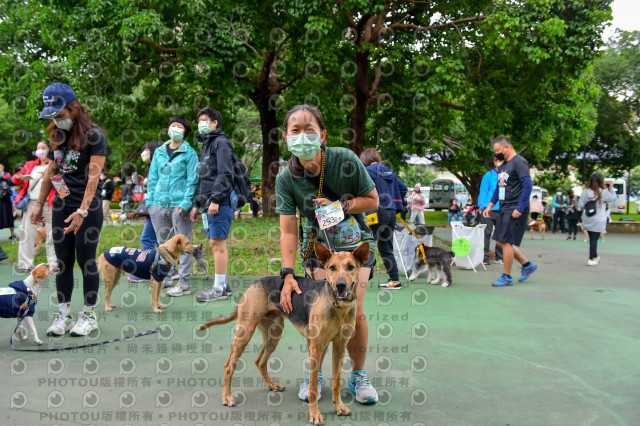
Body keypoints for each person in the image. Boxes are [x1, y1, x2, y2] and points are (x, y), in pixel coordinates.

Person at [276, 104, 379, 404]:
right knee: (323, 311)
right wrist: (286, 274)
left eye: (310, 130)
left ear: (322, 135)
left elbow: (372, 200)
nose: (302, 136)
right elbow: (288, 231)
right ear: (286, 137)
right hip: (319, 249)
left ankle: (358, 376)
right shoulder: (286, 179)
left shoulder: (345, 160)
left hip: (356, 242)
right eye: (295, 130)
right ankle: (316, 375)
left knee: (352, 307)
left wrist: (341, 206)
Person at [31, 82, 107, 336]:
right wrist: (40, 204)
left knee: (86, 261)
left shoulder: (94, 136)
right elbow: (52, 172)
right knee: (62, 262)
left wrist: (82, 212)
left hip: (88, 207)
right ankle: (64, 315)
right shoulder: (56, 134)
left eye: (60, 115)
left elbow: (93, 179)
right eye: (52, 116)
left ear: (74, 108)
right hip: (62, 206)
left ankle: (89, 315)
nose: (57, 120)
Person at [147, 116, 199, 296]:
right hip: (158, 204)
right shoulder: (160, 151)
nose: (175, 129)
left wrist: (185, 203)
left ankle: (183, 282)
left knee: (184, 244)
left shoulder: (190, 153)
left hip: (179, 206)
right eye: (172, 125)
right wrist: (150, 202)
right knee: (164, 244)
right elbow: (152, 177)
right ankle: (166, 277)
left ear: (185, 132)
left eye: (179, 126)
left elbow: (192, 180)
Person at [189, 107, 235, 302]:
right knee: (214, 242)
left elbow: (225, 174)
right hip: (208, 204)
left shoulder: (221, 143)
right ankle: (222, 283)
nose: (201, 124)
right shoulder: (207, 145)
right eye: (199, 120)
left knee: (218, 244)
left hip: (219, 202)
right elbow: (205, 178)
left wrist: (216, 199)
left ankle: (219, 288)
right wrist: (197, 205)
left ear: (215, 123)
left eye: (205, 120)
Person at [483, 135, 537, 287]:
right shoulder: (502, 166)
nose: (497, 153)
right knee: (500, 240)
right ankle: (527, 265)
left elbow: (528, 186)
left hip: (515, 207)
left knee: (506, 241)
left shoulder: (519, 162)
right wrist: (490, 205)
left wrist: (520, 208)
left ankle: (506, 277)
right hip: (505, 207)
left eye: (498, 149)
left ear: (507, 147)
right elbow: (499, 188)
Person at [360, 147, 407, 290]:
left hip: (375, 212)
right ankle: (395, 280)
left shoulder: (367, 171)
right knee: (386, 246)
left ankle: (363, 277)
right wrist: (394, 201)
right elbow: (403, 188)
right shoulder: (390, 172)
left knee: (367, 242)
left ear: (364, 159)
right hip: (391, 212)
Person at [12, 141, 58, 272]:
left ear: (50, 149)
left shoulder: (55, 164)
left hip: (49, 204)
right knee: (26, 233)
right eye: (38, 148)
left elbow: (62, 184)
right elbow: (15, 179)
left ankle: (53, 265)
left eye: (44, 148)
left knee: (52, 234)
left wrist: (51, 177)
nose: (41, 151)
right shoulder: (30, 165)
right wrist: (19, 177)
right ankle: (25, 264)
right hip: (32, 202)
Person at [129, 141, 162, 283]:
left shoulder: (159, 166)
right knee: (159, 240)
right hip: (153, 209)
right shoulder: (152, 167)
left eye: (147, 150)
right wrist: (143, 181)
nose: (144, 153)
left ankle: (146, 271)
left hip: (157, 208)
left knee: (148, 239)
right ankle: (167, 270)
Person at [577, 173, 616, 266]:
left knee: (592, 238)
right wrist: (611, 188)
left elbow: (580, 205)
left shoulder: (585, 191)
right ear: (601, 181)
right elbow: (613, 198)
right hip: (599, 218)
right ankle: (590, 259)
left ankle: (595, 257)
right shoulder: (603, 191)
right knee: (594, 240)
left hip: (587, 217)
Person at [478, 157, 504, 265]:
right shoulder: (489, 175)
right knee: (486, 233)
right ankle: (484, 257)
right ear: (494, 162)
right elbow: (483, 191)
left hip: (502, 209)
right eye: (497, 161)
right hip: (488, 209)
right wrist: (482, 207)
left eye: (502, 161)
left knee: (501, 234)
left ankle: (499, 257)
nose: (499, 163)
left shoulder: (504, 176)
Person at [0, 164, 16, 241]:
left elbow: (12, 182)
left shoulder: (6, 175)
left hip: (5, 198)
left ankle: (12, 234)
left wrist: (3, 178)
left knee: (9, 216)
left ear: (2, 168)